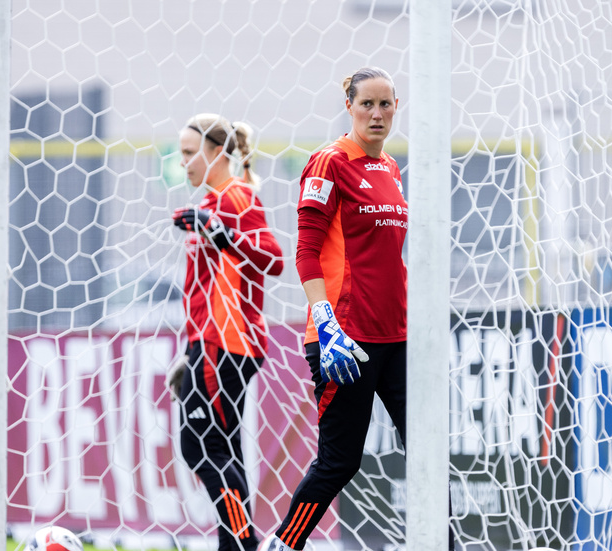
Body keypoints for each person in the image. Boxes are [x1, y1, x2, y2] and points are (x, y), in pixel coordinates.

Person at [259, 68, 453, 551]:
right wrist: (324, 321)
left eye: (386, 104)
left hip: (398, 336)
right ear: (349, 105)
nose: (377, 114)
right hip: (345, 340)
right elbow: (305, 252)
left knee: (429, 452)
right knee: (340, 462)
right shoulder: (328, 163)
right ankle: (282, 545)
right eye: (367, 104)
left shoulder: (390, 168)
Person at [167, 113, 283, 551]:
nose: (183, 164)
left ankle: (246, 543)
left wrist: (219, 231)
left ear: (215, 152)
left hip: (227, 342)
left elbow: (273, 258)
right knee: (222, 450)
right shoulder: (213, 204)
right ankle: (234, 545)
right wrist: (189, 350)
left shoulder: (236, 197)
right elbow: (204, 289)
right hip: (209, 343)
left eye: (187, 153)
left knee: (201, 449)